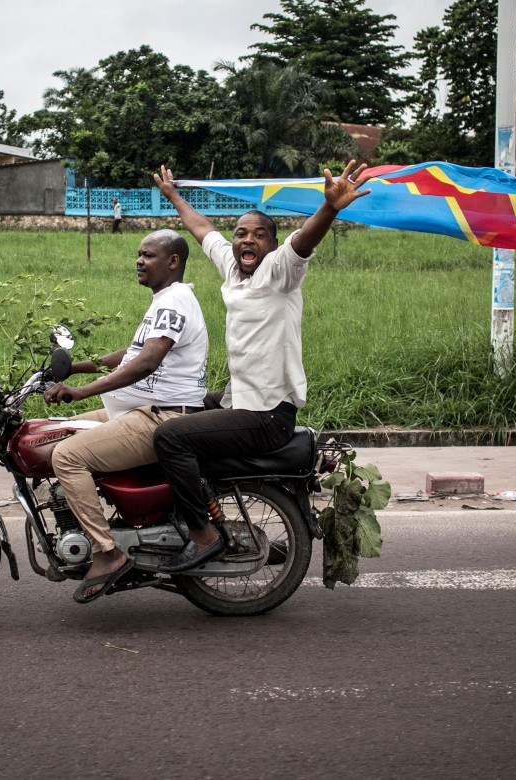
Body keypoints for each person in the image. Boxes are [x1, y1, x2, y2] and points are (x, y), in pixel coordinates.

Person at [149, 160, 372, 573]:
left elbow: (303, 241)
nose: (247, 240)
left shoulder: (279, 272)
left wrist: (330, 209)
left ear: (271, 244)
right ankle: (186, 514)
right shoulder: (233, 269)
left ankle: (203, 536)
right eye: (241, 233)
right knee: (178, 407)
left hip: (267, 413)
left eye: (259, 234)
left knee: (170, 438)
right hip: (243, 398)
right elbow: (203, 231)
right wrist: (174, 196)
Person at [44, 229, 208, 603]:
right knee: (52, 434)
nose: (139, 260)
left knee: (66, 455)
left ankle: (107, 552)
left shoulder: (174, 302)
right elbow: (132, 353)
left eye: (148, 255)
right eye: (138, 254)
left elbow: (148, 362)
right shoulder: (166, 301)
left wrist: (82, 391)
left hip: (159, 416)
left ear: (173, 262)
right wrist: (75, 369)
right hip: (137, 410)